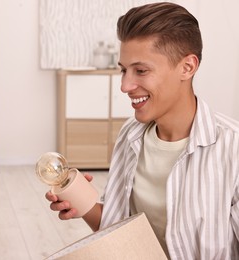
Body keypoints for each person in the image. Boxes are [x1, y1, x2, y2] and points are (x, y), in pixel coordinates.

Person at [45, 2, 239, 259]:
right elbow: (122, 235)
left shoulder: (232, 150)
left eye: (141, 70)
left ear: (187, 67)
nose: (125, 85)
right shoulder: (130, 135)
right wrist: (83, 204)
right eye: (123, 70)